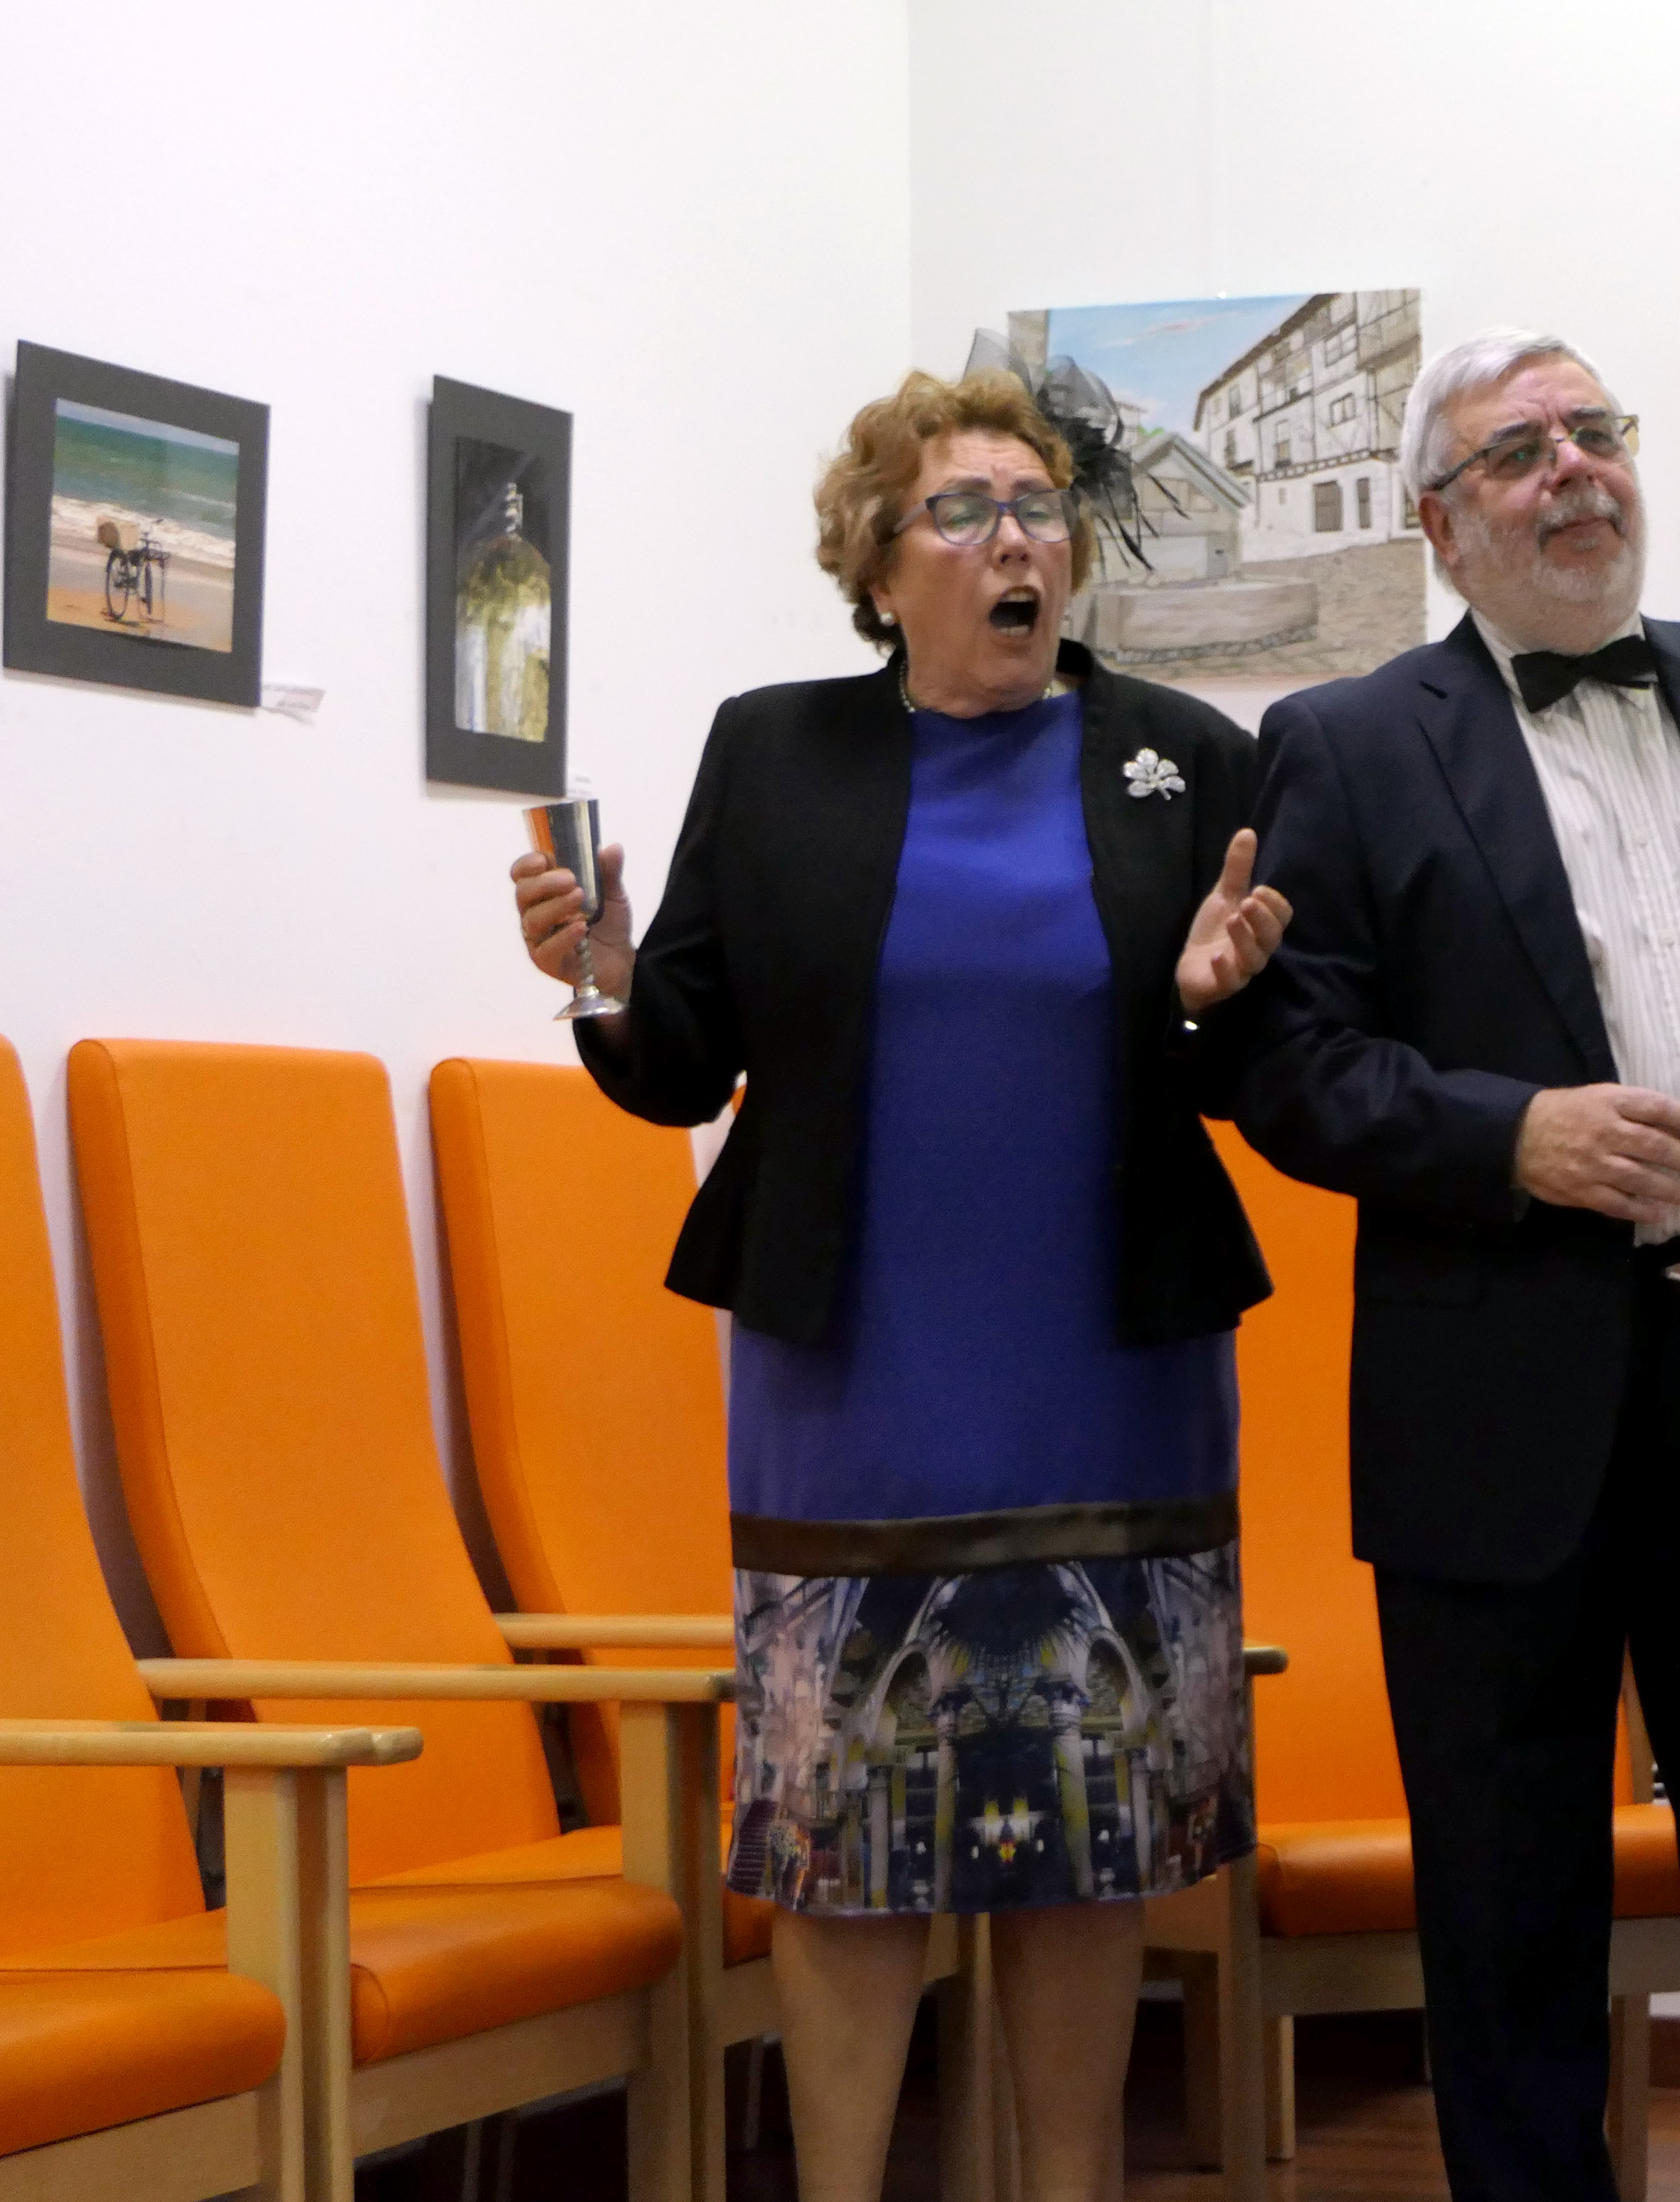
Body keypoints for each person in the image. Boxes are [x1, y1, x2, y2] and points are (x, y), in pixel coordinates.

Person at [510, 367, 1290, 2202]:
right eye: (964, 509)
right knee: (844, 1836)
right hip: (854, 1381)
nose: (1015, 538)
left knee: (1092, 1834)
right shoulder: (775, 753)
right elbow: (682, 1058)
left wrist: (1213, 1004)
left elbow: (1257, 1073)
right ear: (878, 568)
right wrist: (603, 974)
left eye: (1038, 507)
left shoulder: (1185, 756)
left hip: (1110, 1371)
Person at [1229, 329, 1680, 2202]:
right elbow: (1289, 1067)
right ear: (1439, 525)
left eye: (1595, 433)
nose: (1573, 468)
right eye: (1518, 451)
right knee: (1509, 1905)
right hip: (1494, 1395)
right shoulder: (1345, 743)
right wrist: (1515, 1138)